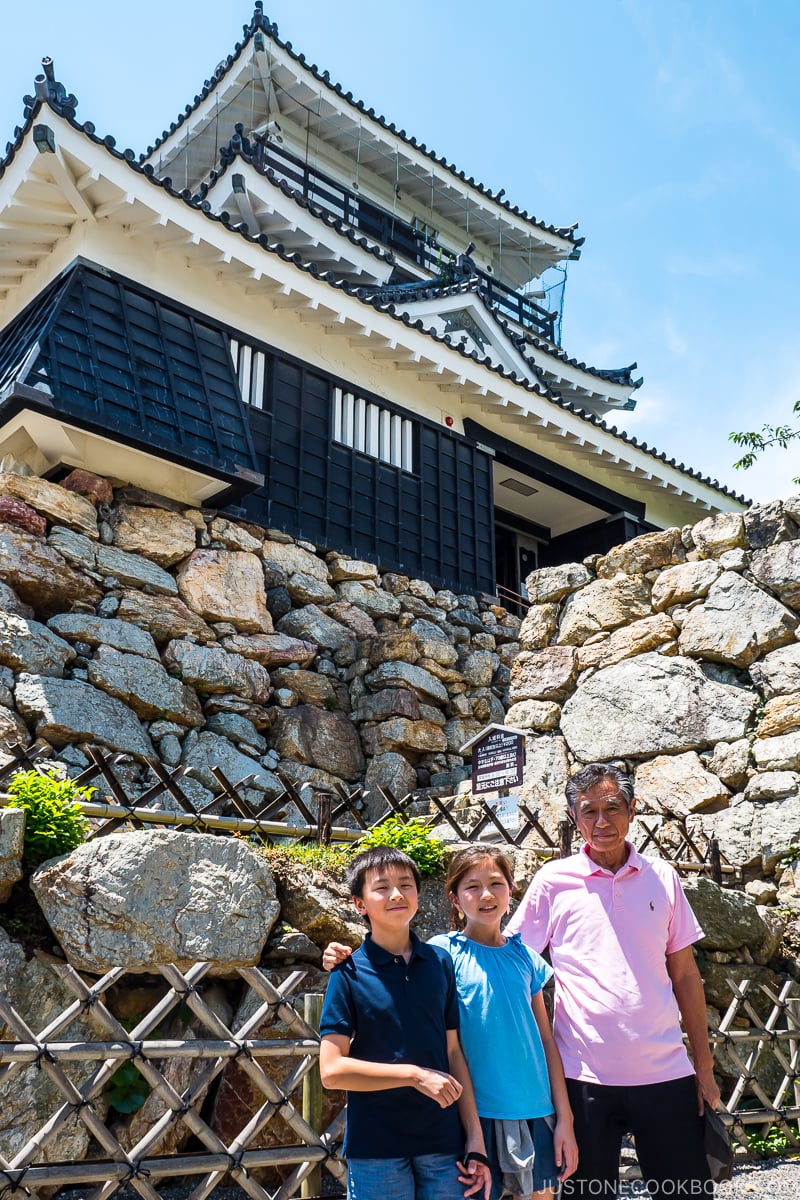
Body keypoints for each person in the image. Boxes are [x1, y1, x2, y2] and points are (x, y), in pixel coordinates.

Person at [506, 762, 721, 1198]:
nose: (602, 822)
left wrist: (704, 1062)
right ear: (573, 818)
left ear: (633, 810)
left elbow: (685, 974)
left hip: (666, 1074)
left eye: (613, 807)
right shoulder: (553, 882)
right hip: (582, 1077)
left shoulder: (663, 877)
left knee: (685, 1193)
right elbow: (510, 963)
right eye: (589, 811)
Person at [323, 845, 578, 1200]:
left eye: (496, 883)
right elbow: (389, 954)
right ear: (455, 900)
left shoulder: (511, 958)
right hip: (449, 1119)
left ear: (511, 889)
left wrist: (564, 1119)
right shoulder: (442, 954)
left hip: (515, 1115)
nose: (486, 894)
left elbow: (542, 1041)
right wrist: (341, 954)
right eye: (472, 886)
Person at [318, 845, 492, 1200]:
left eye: (406, 884)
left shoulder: (439, 962)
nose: (396, 894)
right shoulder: (347, 973)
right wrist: (414, 1075)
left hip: (445, 1144)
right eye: (381, 887)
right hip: (377, 1148)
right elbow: (331, 1070)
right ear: (359, 904)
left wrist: (475, 1138)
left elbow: (453, 1052)